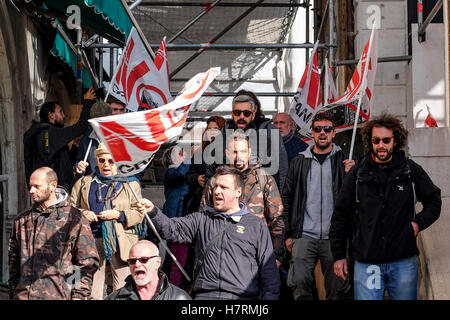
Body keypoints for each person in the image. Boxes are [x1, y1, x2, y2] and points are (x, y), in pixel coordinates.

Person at [330, 113, 441, 300]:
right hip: (367, 261)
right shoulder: (358, 173)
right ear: (370, 141)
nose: (381, 145)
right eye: (376, 140)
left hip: (403, 260)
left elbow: (434, 200)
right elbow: (340, 216)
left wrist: (417, 224)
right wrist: (339, 255)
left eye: (386, 140)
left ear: (395, 141)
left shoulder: (410, 170)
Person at [137, 165, 280, 300]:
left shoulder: (256, 225)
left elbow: (269, 272)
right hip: (204, 295)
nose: (217, 191)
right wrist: (153, 211)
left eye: (223, 187)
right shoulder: (201, 219)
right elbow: (170, 229)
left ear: (238, 192)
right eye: (216, 186)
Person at [281, 112, 355, 300]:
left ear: (334, 133)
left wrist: (352, 176)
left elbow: (357, 199)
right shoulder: (299, 161)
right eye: (317, 129)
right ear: (312, 133)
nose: (322, 132)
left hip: (335, 237)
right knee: (300, 283)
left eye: (327, 129)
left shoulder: (345, 161)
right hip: (304, 234)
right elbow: (287, 198)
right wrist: (289, 234)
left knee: (336, 289)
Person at [8, 167, 99, 300]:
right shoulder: (22, 220)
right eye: (30, 186)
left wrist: (78, 296)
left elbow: (86, 262)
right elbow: (13, 264)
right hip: (23, 296)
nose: (31, 191)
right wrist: (13, 293)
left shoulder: (73, 218)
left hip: (59, 295)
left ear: (53, 186)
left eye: (37, 186)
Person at [70, 143, 146, 299]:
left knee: (122, 290)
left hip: (121, 241)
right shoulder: (83, 182)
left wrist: (118, 214)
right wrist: (83, 213)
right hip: (92, 239)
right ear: (96, 161)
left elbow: (139, 213)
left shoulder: (130, 184)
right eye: (102, 160)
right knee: (93, 292)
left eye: (111, 161)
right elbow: (69, 210)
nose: (106, 165)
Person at [201, 132, 286, 267]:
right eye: (234, 152)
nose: (239, 156)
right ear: (227, 153)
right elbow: (204, 219)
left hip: (257, 253)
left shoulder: (264, 179)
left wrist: (277, 255)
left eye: (243, 151)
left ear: (249, 152)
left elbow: (277, 219)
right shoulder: (215, 182)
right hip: (224, 254)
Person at [205, 90, 288, 190]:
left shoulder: (269, 131)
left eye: (246, 113)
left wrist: (280, 200)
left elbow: (282, 167)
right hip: (230, 195)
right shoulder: (225, 132)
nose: (241, 116)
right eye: (237, 112)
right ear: (232, 113)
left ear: (254, 112)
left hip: (259, 197)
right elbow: (211, 166)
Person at [23, 88, 97, 192]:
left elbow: (61, 162)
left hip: (50, 189)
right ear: (51, 115)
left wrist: (74, 148)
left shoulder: (42, 134)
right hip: (54, 192)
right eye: (60, 112)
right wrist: (88, 101)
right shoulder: (49, 133)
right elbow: (82, 126)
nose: (64, 115)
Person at [105, 240, 191, 300]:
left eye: (144, 260)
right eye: (132, 261)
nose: (137, 264)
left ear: (157, 262)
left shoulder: (178, 297)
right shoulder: (115, 298)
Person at [183, 115, 226, 216]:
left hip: (220, 199)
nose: (212, 132)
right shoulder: (199, 152)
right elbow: (188, 176)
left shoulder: (227, 152)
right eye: (209, 129)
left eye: (216, 129)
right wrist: (197, 178)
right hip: (198, 200)